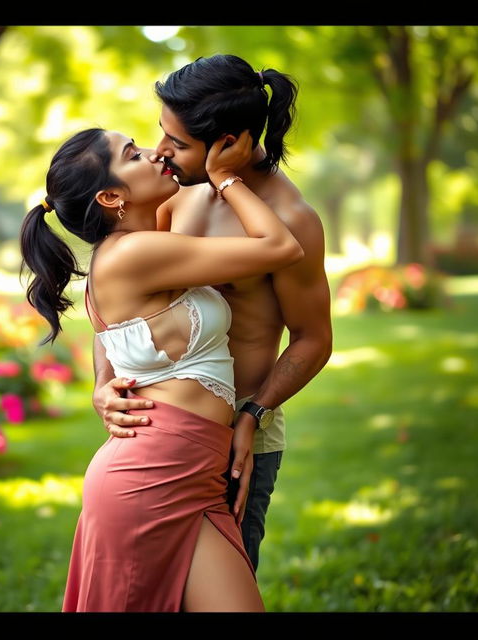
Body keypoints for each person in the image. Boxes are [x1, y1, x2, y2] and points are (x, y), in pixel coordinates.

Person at [19, 126, 303, 612]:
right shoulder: (133, 252)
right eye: (133, 155)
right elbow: (280, 247)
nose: (154, 154)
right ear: (111, 195)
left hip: (197, 477)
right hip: (151, 478)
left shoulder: (141, 246)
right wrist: (225, 177)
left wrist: (101, 384)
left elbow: (111, 337)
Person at [92, 54, 333, 574]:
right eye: (162, 134)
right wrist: (103, 382)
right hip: (162, 426)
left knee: (226, 582)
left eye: (176, 144)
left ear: (230, 143)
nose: (160, 153)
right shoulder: (175, 196)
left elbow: (313, 339)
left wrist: (255, 414)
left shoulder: (292, 221)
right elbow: (122, 294)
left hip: (241, 433)